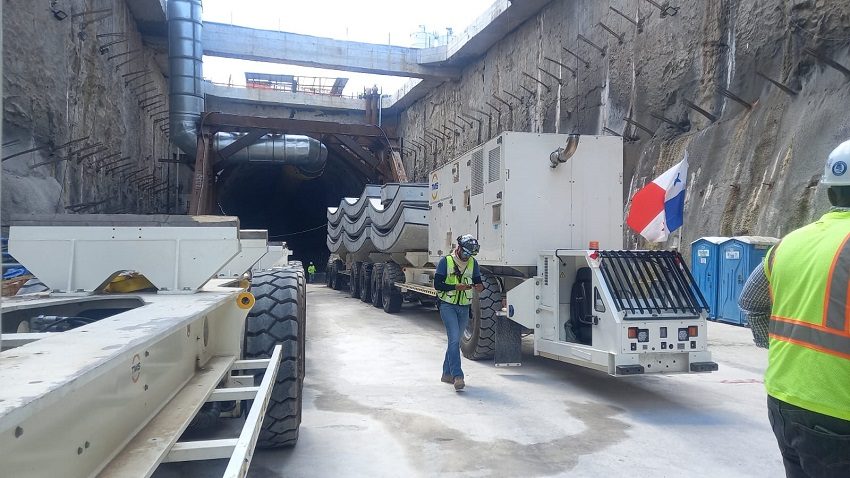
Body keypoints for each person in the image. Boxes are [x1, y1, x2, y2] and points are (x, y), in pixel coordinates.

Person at [739, 139, 850, 478]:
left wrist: (780, 347)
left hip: (784, 403)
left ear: (830, 191)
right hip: (838, 416)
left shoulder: (789, 243)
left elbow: (750, 301)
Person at [434, 234, 484, 391]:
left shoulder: (472, 263)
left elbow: (478, 282)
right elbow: (437, 285)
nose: (467, 257)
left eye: (471, 255)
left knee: (453, 341)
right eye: (466, 253)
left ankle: (446, 374)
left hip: (464, 307)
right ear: (459, 248)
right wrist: (456, 287)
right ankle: (458, 376)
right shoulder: (445, 262)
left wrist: (479, 287)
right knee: (455, 340)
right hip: (447, 305)